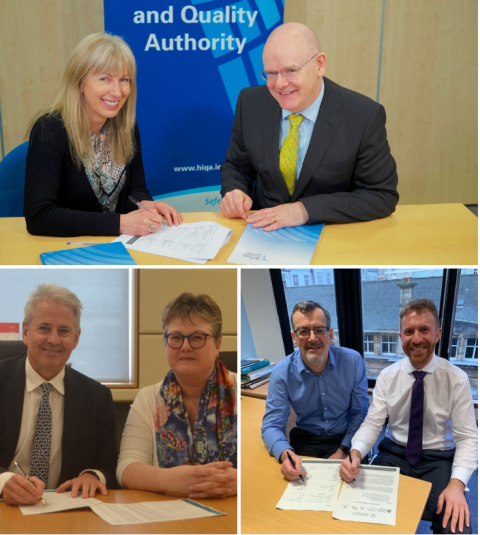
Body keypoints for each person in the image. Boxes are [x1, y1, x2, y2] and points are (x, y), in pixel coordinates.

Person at [220, 22, 398, 231]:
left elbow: (381, 195)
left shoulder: (363, 115)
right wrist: (235, 191)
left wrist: (304, 210)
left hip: (332, 236)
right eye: (271, 73)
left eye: (291, 70)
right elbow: (237, 166)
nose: (279, 84)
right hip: (262, 234)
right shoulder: (250, 103)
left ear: (320, 65)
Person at [339, 299, 477, 534]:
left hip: (438, 460)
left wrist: (457, 484)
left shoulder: (457, 379)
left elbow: (467, 438)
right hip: (393, 455)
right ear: (400, 335)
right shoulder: (387, 377)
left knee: (457, 526)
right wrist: (355, 453)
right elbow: (373, 423)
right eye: (409, 331)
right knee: (355, 515)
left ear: (438, 334)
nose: (416, 339)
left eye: (425, 330)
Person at [24, 33, 181, 237]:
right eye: (105, 79)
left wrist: (146, 204)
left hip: (115, 246)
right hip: (65, 248)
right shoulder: (50, 129)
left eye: (124, 79)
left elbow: (136, 190)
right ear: (80, 83)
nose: (117, 92)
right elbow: (39, 216)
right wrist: (120, 224)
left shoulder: (126, 125)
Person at [0, 283, 117, 506]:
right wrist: (3, 482)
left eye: (64, 331)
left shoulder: (97, 397)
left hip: (65, 512)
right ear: (25, 332)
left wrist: (92, 476)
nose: (54, 340)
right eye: (44, 328)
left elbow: (110, 466)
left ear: (76, 338)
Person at [117, 293, 237, 498]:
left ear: (217, 344)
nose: (186, 346)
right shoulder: (147, 398)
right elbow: (126, 469)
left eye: (198, 337)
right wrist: (173, 480)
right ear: (166, 343)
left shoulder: (242, 394)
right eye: (176, 338)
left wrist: (237, 481)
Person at [261, 301, 368, 481]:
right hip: (306, 439)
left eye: (319, 330)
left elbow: (360, 413)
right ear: (294, 337)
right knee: (296, 487)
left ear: (330, 334)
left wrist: (344, 449)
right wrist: (285, 454)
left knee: (350, 488)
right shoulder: (281, 373)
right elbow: (271, 425)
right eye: (303, 331)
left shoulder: (353, 362)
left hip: (347, 436)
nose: (312, 338)